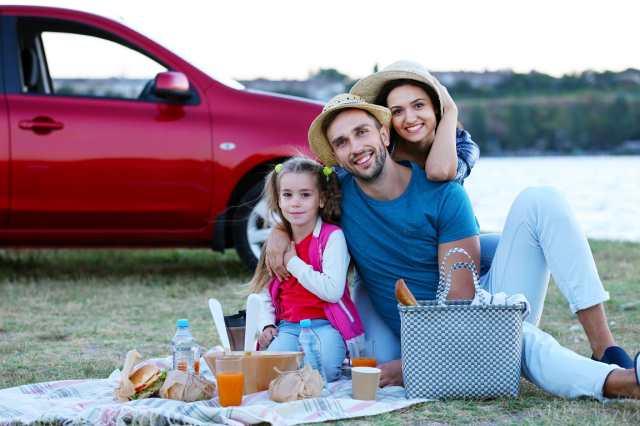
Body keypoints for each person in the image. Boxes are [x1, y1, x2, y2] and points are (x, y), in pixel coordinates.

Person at [268, 94, 640, 400]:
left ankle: (620, 378)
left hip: (468, 313)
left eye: (362, 132)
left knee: (539, 208)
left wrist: (413, 362)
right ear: (335, 155)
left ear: (384, 135)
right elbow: (298, 200)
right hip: (409, 326)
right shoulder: (340, 195)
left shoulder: (445, 195)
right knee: (506, 340)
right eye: (342, 142)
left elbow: (463, 312)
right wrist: (280, 232)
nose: (355, 148)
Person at [349, 61, 634, 370]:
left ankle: (605, 348)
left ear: (438, 108)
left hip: (463, 284)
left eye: (419, 105)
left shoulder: (462, 144)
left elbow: (440, 171)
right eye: (398, 111)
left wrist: (452, 114)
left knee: (540, 203)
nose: (409, 118)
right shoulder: (377, 159)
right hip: (417, 294)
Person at [248, 157, 364, 382]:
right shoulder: (275, 244)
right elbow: (264, 290)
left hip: (326, 325)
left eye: (305, 195)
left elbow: (332, 291)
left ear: (321, 199)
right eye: (287, 195)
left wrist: (294, 263)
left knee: (323, 373)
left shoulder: (332, 237)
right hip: (288, 327)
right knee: (269, 375)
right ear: (279, 200)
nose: (295, 203)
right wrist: (267, 324)